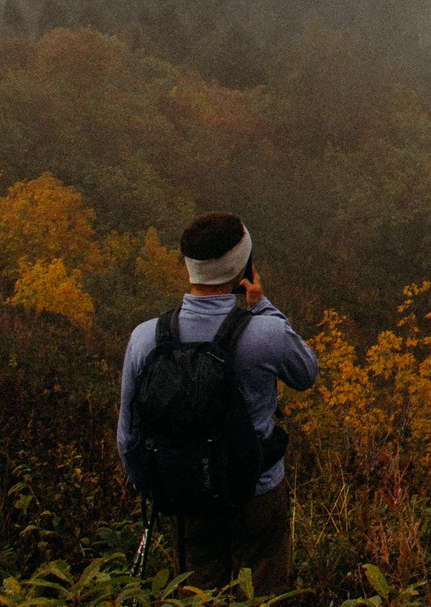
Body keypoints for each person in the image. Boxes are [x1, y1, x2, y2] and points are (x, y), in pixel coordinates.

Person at [117, 213, 320, 586]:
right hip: (257, 489)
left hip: (187, 492)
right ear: (244, 267)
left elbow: (128, 436)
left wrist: (153, 488)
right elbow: (306, 373)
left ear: (190, 268)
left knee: (198, 589)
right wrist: (262, 305)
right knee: (262, 591)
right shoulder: (265, 332)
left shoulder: (145, 338)